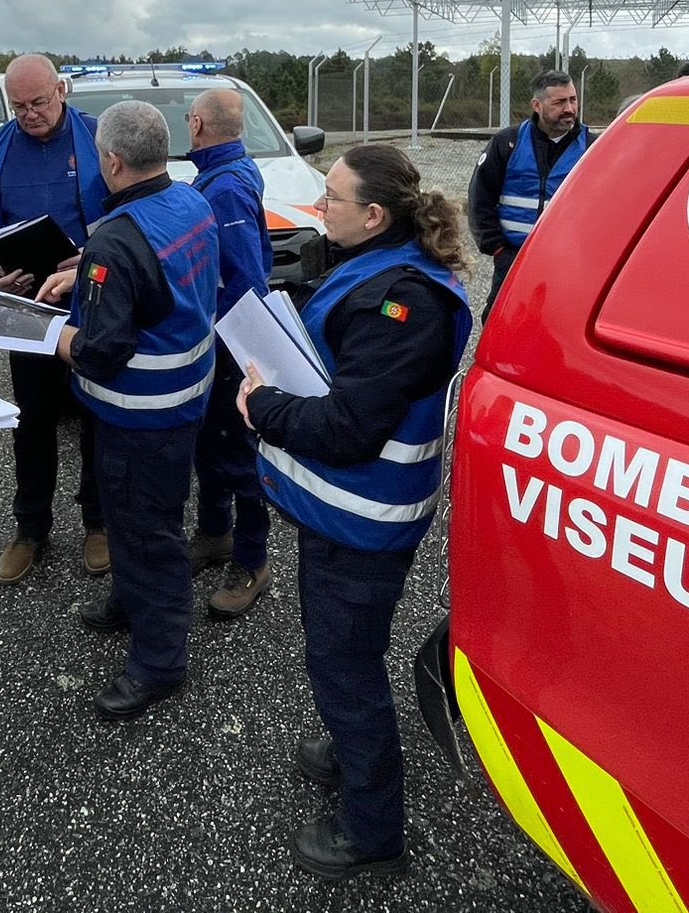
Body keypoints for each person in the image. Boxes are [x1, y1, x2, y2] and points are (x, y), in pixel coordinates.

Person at [239, 143, 473, 880]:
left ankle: (372, 832)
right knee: (341, 650)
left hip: (364, 519)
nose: (318, 209)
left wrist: (262, 407)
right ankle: (348, 750)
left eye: (330, 200)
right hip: (346, 513)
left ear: (373, 216)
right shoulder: (382, 268)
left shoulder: (400, 305)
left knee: (345, 666)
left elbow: (347, 428)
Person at [39, 101, 219, 720]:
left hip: (139, 417)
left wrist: (53, 337)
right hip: (184, 400)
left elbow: (103, 352)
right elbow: (156, 284)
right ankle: (129, 598)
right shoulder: (191, 201)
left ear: (112, 160)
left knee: (148, 533)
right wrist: (88, 275)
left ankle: (160, 661)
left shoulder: (117, 239)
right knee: (134, 518)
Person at [0, 53, 110, 584]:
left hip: (91, 302)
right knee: (32, 418)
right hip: (26, 307)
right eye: (19, 106)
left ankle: (98, 521)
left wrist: (94, 256)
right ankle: (31, 529)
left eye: (39, 102)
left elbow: (129, 213)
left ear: (62, 90)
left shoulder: (98, 139)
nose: (30, 114)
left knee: (96, 414)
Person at [182, 87, 275, 619]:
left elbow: (245, 280)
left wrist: (241, 354)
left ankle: (252, 559)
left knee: (239, 456)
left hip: (230, 344)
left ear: (197, 124)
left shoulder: (227, 189)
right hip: (216, 343)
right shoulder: (221, 175)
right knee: (210, 447)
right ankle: (215, 534)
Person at [465, 69, 589, 306]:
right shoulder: (507, 142)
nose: (570, 109)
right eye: (559, 102)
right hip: (513, 257)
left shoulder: (592, 147)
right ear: (536, 105)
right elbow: (479, 197)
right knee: (501, 319)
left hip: (566, 264)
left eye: (573, 99)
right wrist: (497, 248)